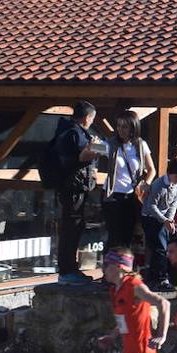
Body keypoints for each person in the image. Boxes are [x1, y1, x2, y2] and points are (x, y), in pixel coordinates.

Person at [52, 101, 102, 283]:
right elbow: (78, 158)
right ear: (87, 117)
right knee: (71, 228)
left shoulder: (73, 132)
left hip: (76, 186)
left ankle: (70, 269)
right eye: (92, 119)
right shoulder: (73, 134)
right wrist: (93, 149)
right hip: (72, 187)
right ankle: (67, 271)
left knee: (75, 226)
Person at [102, 110, 156, 252]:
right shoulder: (111, 144)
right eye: (119, 126)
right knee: (114, 237)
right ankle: (109, 270)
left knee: (127, 236)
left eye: (125, 126)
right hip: (113, 195)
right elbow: (91, 149)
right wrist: (91, 146)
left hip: (132, 196)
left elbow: (152, 169)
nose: (121, 130)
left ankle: (123, 270)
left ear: (133, 127)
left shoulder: (140, 145)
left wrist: (145, 184)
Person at [140, 159, 177, 288]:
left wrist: (170, 219)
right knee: (159, 248)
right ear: (170, 173)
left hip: (163, 219)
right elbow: (151, 206)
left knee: (164, 247)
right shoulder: (159, 185)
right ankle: (160, 278)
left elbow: (174, 203)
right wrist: (164, 220)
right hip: (150, 218)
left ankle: (158, 276)